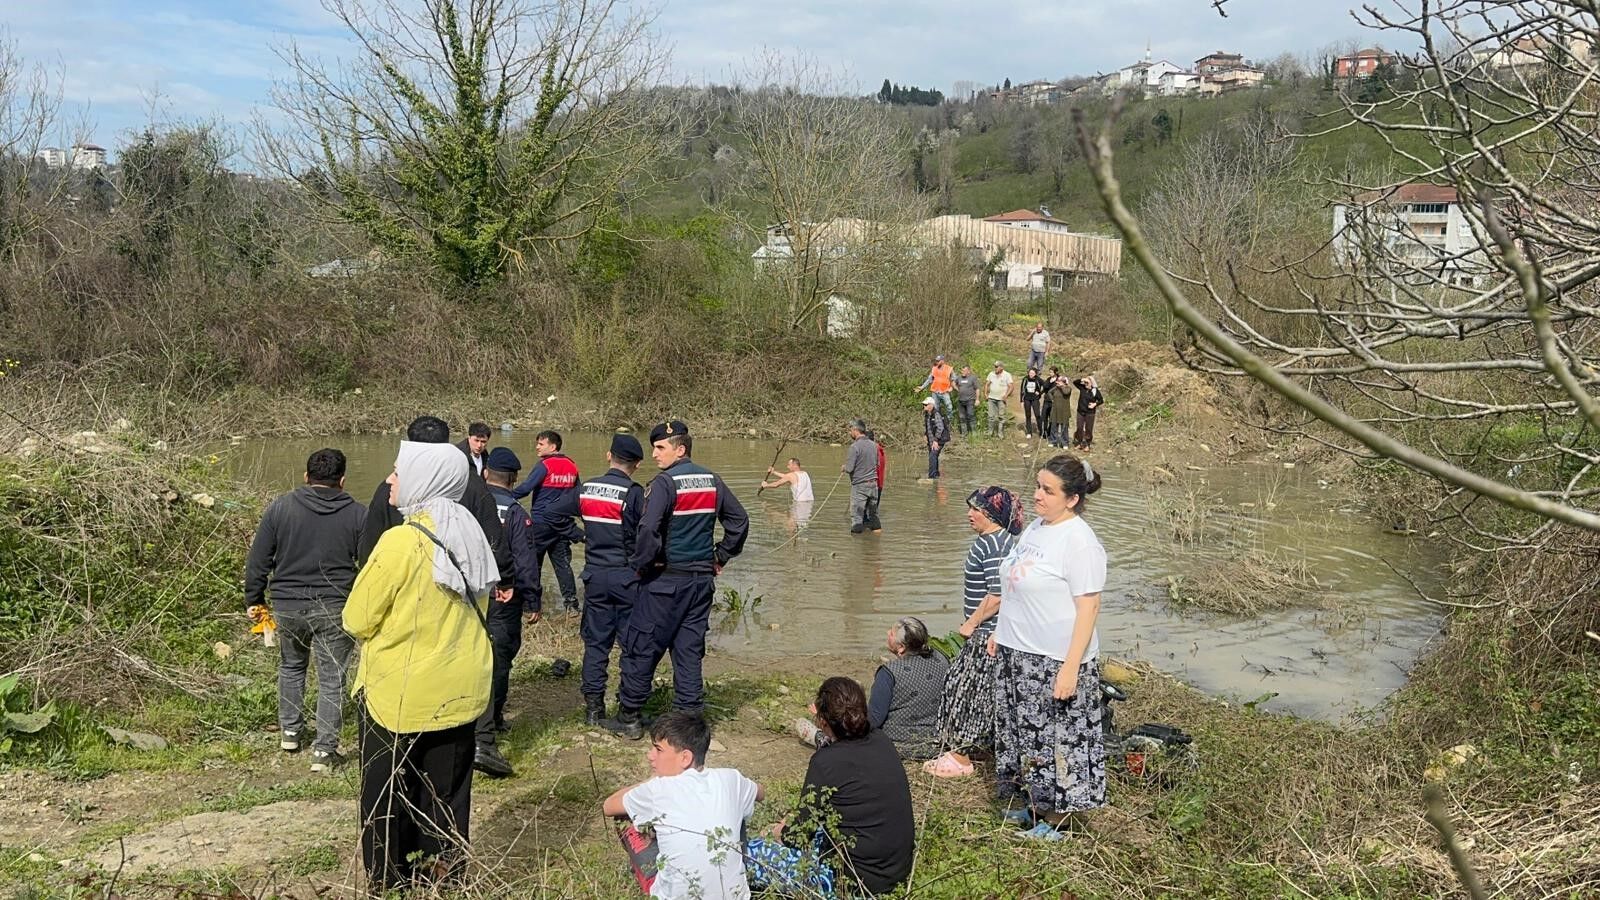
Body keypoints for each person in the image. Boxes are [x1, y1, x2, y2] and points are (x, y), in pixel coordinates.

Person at [344, 440, 498, 890]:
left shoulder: (401, 541)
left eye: (397, 471)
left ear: (423, 480)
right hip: (461, 688)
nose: (390, 479)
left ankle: (389, 884)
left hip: (399, 693)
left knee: (385, 797)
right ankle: (444, 883)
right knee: (445, 797)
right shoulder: (469, 533)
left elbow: (356, 618)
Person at [605, 421, 749, 739]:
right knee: (688, 649)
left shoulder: (665, 484)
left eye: (660, 448)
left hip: (665, 581)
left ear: (680, 449)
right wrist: (720, 556)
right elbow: (739, 521)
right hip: (700, 583)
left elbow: (648, 529)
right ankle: (689, 720)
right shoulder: (712, 480)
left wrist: (642, 565)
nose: (654, 454)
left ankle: (629, 716)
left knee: (642, 645)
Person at [989, 454, 1107, 840]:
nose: (1036, 495)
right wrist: (998, 630)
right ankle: (1026, 802)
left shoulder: (1080, 542)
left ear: (1072, 499)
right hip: (1015, 651)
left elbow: (1088, 607)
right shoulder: (1037, 528)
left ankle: (1057, 820)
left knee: (1056, 737)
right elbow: (1016, 581)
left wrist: (1071, 667)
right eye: (1038, 486)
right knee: (1019, 732)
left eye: (1047, 490)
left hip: (1053, 659)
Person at [244, 448, 365, 772]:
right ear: (342, 480)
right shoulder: (358, 514)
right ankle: (324, 752)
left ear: (305, 477)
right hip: (335, 606)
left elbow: (258, 560)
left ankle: (290, 732)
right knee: (332, 678)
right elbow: (369, 565)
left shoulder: (280, 508)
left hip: (287, 605)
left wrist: (254, 599)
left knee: (292, 666)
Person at [747, 677, 915, 898]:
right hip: (896, 871)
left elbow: (799, 836)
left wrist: (780, 832)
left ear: (823, 722)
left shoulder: (826, 762)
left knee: (749, 852)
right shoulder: (881, 739)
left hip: (853, 883)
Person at [603, 711, 763, 900]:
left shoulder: (658, 788)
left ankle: (651, 882)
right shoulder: (731, 778)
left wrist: (651, 781)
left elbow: (608, 806)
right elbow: (760, 793)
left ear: (685, 758)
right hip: (737, 897)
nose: (650, 756)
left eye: (658, 749)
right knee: (740, 809)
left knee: (624, 815)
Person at [358, 415, 514, 605]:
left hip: (406, 591)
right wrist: (505, 579)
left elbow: (370, 546)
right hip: (458, 592)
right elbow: (493, 536)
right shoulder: (471, 483)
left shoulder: (392, 487)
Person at [924, 486, 1024, 779]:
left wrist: (971, 624)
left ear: (991, 515)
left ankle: (960, 759)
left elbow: (998, 593)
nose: (969, 514)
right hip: (995, 631)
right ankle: (980, 747)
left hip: (988, 633)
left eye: (976, 510)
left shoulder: (993, 544)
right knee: (983, 690)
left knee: (966, 690)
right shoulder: (999, 540)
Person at [475, 447, 540, 778]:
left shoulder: (467, 503)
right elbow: (525, 559)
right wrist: (532, 599)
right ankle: (493, 718)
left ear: (486, 474)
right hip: (503, 593)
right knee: (499, 657)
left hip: (469, 593)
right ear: (514, 480)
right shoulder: (515, 512)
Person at [578, 434, 647, 726]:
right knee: (632, 645)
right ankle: (627, 710)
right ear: (638, 464)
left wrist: (580, 536)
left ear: (609, 456)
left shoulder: (586, 488)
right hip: (627, 576)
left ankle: (594, 709)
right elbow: (645, 534)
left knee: (596, 644)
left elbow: (555, 517)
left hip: (595, 574)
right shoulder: (633, 493)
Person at [511, 430, 583, 614]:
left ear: (553, 446)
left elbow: (526, 489)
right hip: (562, 525)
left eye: (541, 444)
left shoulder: (545, 465)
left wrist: (504, 495)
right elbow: (579, 496)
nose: (537, 447)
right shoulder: (572, 466)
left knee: (533, 564)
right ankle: (571, 605)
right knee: (563, 565)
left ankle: (532, 605)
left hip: (541, 524)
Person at [841, 420, 878, 534]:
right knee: (873, 517)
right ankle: (876, 544)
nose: (849, 433)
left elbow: (850, 468)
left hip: (860, 486)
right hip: (873, 484)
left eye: (850, 430)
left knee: (857, 518)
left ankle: (856, 548)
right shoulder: (873, 445)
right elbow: (877, 464)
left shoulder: (854, 447)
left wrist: (844, 467)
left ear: (855, 430)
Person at [760, 457, 815, 527]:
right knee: (801, 523)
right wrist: (774, 472)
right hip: (810, 503)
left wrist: (766, 485)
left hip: (799, 504)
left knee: (789, 522)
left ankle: (792, 536)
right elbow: (787, 477)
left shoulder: (791, 475)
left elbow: (776, 484)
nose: (787, 466)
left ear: (794, 465)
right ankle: (796, 535)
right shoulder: (805, 473)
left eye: (789, 464)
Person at [1072, 375, 1105, 451]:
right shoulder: (1082, 388)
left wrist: (1094, 404)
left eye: (1088, 383)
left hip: (1090, 413)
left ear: (1091, 383)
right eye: (1085, 383)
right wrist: (1083, 379)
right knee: (1079, 428)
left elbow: (1101, 400)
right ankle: (1079, 442)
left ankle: (1087, 444)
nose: (1086, 384)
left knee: (1088, 429)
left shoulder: (1095, 391)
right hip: (1080, 411)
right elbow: (1075, 382)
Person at [917, 354, 955, 419]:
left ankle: (949, 419)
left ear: (942, 361)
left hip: (944, 391)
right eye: (936, 361)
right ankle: (937, 420)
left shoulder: (949, 369)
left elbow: (954, 379)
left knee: (949, 406)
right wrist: (922, 387)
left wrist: (951, 387)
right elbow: (929, 379)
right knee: (935, 407)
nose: (937, 362)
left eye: (938, 361)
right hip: (935, 391)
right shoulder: (934, 368)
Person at [921, 396, 951, 480]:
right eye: (924, 405)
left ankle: (931, 477)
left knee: (932, 456)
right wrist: (925, 435)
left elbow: (940, 428)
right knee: (934, 456)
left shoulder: (936, 414)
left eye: (926, 405)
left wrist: (936, 440)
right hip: (931, 440)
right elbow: (928, 427)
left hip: (939, 440)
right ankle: (936, 475)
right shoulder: (927, 415)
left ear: (931, 405)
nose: (924, 406)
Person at [1044, 367, 1073, 448]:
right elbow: (1049, 392)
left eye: (1059, 382)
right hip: (1055, 410)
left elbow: (1065, 392)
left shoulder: (1068, 388)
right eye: (1058, 382)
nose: (1057, 383)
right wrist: (1052, 399)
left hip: (1064, 411)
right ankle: (1053, 441)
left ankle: (1065, 443)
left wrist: (1062, 386)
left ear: (1064, 382)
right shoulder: (1056, 388)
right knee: (1054, 427)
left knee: (1064, 428)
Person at [985, 362, 1014, 438]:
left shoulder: (1007, 375)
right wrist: (986, 394)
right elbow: (987, 384)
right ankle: (990, 432)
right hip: (991, 398)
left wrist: (1006, 395)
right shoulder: (991, 374)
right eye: (994, 366)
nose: (995, 368)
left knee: (1001, 417)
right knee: (991, 416)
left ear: (1001, 367)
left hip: (1001, 399)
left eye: (997, 367)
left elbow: (1011, 387)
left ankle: (1000, 433)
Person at [952, 364, 980, 436]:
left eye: (964, 370)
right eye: (962, 370)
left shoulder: (972, 378)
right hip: (961, 401)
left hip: (970, 400)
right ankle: (964, 433)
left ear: (968, 371)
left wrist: (977, 399)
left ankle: (974, 432)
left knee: (971, 415)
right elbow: (953, 383)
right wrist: (956, 388)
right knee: (962, 417)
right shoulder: (959, 378)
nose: (962, 372)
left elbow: (977, 389)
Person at [1020, 367, 1046, 438]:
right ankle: (1029, 432)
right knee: (1028, 415)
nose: (1031, 374)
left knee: (1037, 415)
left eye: (1033, 373)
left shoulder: (1038, 379)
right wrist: (1021, 401)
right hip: (1027, 399)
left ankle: (1041, 432)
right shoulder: (1025, 379)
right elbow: (1022, 390)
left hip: (1035, 399)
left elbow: (1046, 386)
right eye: (1030, 373)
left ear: (1035, 373)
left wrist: (1040, 393)